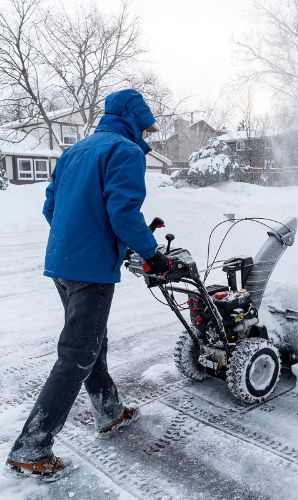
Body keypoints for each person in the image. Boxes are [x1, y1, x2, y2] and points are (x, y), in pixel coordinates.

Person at [5, 89, 171, 481]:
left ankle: (109, 411)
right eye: (145, 126)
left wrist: (78, 239)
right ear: (133, 120)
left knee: (91, 340)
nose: (146, 135)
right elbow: (123, 211)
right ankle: (31, 448)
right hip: (91, 270)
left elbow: (51, 205)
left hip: (62, 263)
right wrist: (153, 255)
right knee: (77, 354)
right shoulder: (124, 152)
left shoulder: (75, 151)